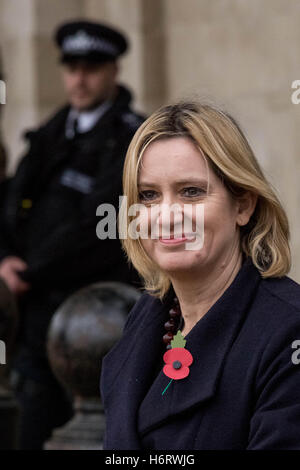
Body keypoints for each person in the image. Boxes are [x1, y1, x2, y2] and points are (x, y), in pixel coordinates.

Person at [100, 101, 300, 450]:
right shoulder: (148, 316)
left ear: (243, 205)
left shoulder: (288, 330)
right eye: (148, 196)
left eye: (191, 191)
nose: (167, 216)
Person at [0, 20, 144, 449]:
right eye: (72, 67)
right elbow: (11, 203)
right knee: (28, 427)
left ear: (114, 71)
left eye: (92, 67)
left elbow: (102, 228)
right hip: (34, 315)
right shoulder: (51, 132)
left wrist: (31, 271)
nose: (79, 79)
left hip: (93, 316)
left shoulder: (129, 137)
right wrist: (6, 259)